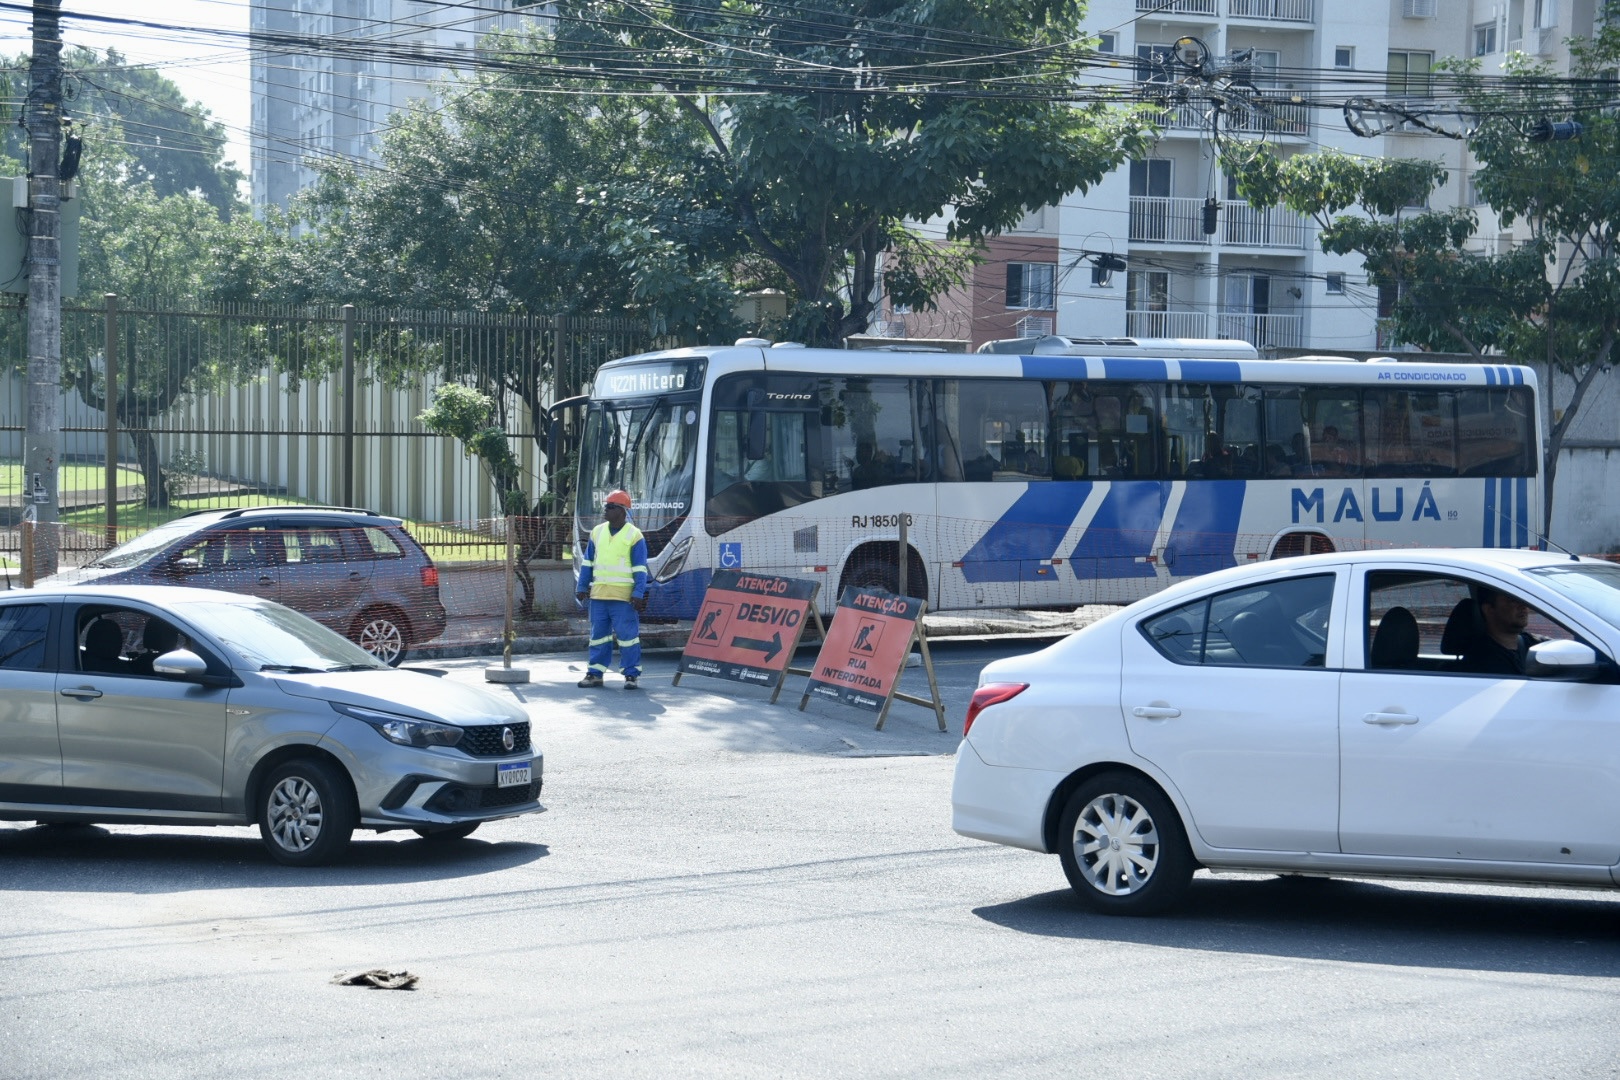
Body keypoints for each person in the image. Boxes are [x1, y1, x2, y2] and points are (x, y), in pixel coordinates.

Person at [574, 490, 648, 689]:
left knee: (628, 638)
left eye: (610, 507)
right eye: (605, 506)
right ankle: (595, 674)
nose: (605, 510)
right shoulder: (597, 532)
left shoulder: (634, 536)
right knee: (598, 637)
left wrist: (638, 593)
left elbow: (640, 568)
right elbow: (588, 563)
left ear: (622, 511)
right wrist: (582, 586)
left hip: (623, 598)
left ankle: (631, 675)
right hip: (599, 596)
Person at [1460, 586, 1538, 675]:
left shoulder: (1535, 644)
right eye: (1512, 600)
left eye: (1522, 599)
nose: (1523, 606)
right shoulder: (1480, 663)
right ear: (1489, 610)